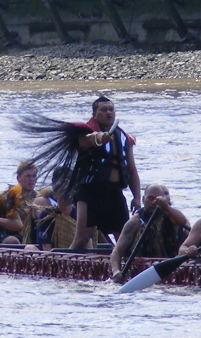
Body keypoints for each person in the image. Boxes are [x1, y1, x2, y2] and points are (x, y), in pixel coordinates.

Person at [68, 96, 141, 249]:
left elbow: (132, 169)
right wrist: (99, 137)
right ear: (95, 114)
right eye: (103, 110)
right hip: (89, 192)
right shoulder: (85, 132)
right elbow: (87, 140)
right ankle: (61, 266)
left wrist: (137, 197)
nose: (108, 113)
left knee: (124, 238)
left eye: (111, 109)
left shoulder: (123, 137)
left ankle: (124, 268)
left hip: (114, 193)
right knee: (82, 238)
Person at [110, 184, 189, 283]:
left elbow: (183, 222)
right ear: (143, 200)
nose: (153, 202)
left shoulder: (173, 216)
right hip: (141, 269)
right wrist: (116, 271)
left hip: (170, 266)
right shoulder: (135, 222)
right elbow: (117, 251)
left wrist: (166, 207)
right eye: (150, 198)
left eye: (157, 199)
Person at [35, 167, 77, 250]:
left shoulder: (79, 214)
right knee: (29, 248)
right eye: (63, 192)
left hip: (77, 257)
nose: (67, 195)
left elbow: (88, 246)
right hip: (53, 258)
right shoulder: (47, 215)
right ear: (56, 194)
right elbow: (47, 249)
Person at [13, 161, 38, 244]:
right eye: (28, 176)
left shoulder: (40, 198)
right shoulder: (10, 196)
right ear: (18, 178)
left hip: (35, 235)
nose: (31, 179)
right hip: (14, 235)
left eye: (34, 176)